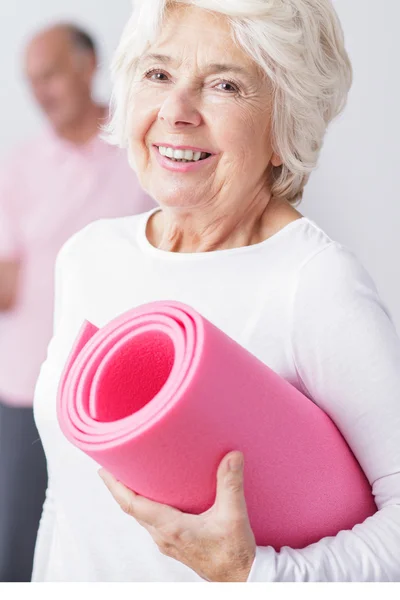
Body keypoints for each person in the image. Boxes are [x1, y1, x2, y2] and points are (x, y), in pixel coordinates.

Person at [32, 0, 400, 582]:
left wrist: (255, 574)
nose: (175, 111)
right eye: (158, 74)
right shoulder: (88, 256)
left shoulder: (313, 282)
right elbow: (69, 496)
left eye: (224, 84)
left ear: (286, 125)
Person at [0, 23, 155, 582]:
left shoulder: (144, 142)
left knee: (124, 541)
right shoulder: (17, 166)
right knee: (14, 547)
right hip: (26, 388)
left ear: (89, 66)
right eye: (30, 82)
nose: (40, 92)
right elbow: (7, 284)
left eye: (50, 75)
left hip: (121, 385)